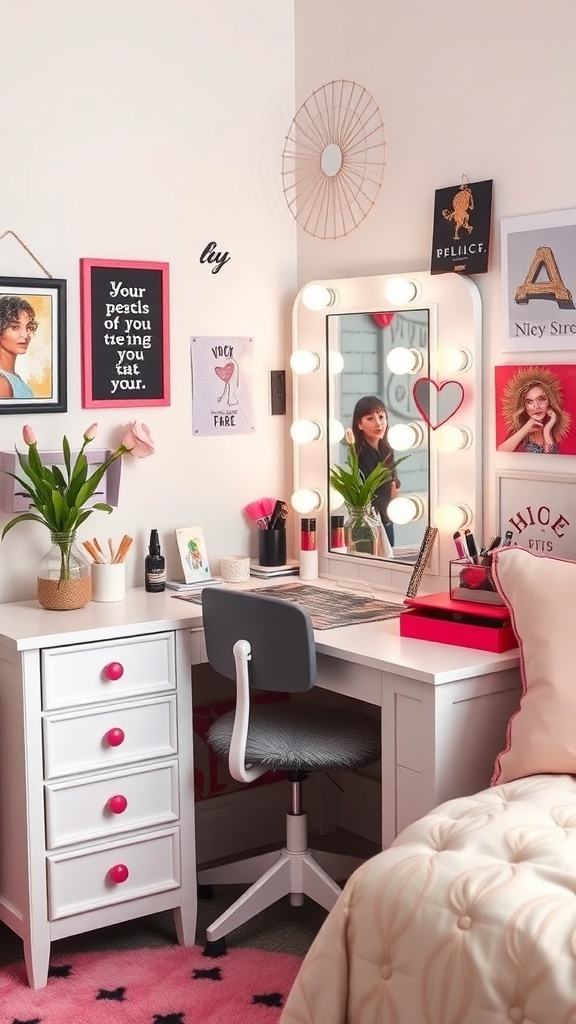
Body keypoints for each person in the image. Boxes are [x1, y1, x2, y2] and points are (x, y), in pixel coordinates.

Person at [351, 395, 400, 545]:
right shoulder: (358, 454)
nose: (378, 423)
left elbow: (393, 486)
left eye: (381, 416)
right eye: (370, 419)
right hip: (369, 522)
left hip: (387, 518)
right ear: (359, 424)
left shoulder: (387, 450)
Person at [497, 366, 571, 454]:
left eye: (542, 399)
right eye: (529, 402)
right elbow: (500, 453)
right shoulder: (520, 432)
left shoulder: (555, 432)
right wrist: (527, 427)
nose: (536, 407)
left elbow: (552, 461)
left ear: (550, 402)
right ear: (524, 406)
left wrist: (547, 431)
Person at [0, 295, 38, 399]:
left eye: (29, 327)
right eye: (15, 327)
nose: (25, 335)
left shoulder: (14, 378)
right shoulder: (2, 384)